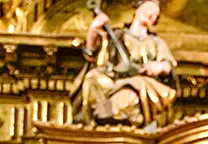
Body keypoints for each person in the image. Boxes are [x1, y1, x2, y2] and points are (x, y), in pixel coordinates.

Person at [76, 0, 177, 128]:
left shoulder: (156, 42)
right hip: (114, 80)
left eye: (155, 13)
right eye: (149, 8)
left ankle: (109, 115)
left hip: (139, 84)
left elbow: (168, 65)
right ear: (137, 9)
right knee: (92, 77)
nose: (151, 13)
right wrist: (93, 29)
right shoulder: (117, 35)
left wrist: (159, 67)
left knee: (129, 95)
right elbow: (91, 55)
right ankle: (90, 122)